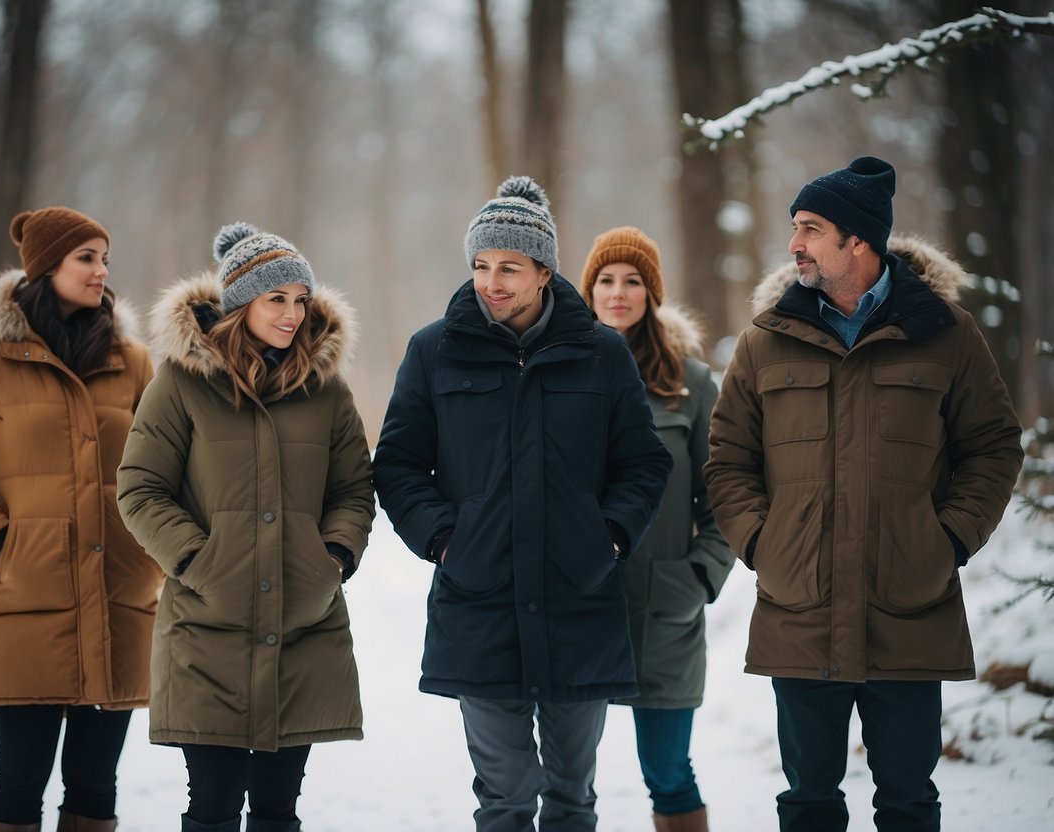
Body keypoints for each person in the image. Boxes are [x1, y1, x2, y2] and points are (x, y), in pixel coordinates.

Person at [704, 156, 1024, 832]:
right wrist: (763, 544)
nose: (794, 244)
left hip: (908, 606)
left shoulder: (944, 335)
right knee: (808, 803)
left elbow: (992, 446)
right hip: (799, 606)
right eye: (794, 228)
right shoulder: (765, 342)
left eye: (810, 229)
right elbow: (728, 458)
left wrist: (948, 540)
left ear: (858, 241)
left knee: (908, 802)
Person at [373, 176, 674, 832]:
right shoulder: (433, 351)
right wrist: (444, 540)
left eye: (508, 267)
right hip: (478, 603)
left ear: (543, 272)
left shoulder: (599, 354)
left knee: (571, 800)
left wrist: (610, 537)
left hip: (578, 602)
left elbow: (643, 464)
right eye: (480, 266)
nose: (491, 282)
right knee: (504, 799)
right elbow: (396, 465)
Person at [116, 221, 375, 832]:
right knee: (211, 808)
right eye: (276, 299)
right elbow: (139, 488)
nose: (292, 314)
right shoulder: (181, 384)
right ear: (240, 304)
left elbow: (353, 489)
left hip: (302, 625)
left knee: (278, 812)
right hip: (208, 627)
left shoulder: (326, 390)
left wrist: (332, 556)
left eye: (300, 300)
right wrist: (196, 562)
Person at [0, 207, 162, 832]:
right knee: (19, 780)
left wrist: (150, 552)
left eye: (106, 259)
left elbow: (167, 466)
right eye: (87, 257)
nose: (102, 270)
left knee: (95, 783)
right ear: (45, 265)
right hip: (24, 598)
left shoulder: (132, 361)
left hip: (117, 597)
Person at [579, 226, 735, 832]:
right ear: (588, 290)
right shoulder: (560, 374)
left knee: (668, 769)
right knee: (566, 776)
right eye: (606, 281)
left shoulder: (691, 384)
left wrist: (698, 578)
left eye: (633, 281)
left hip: (663, 609)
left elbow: (722, 497)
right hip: (577, 604)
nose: (618, 293)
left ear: (653, 293)